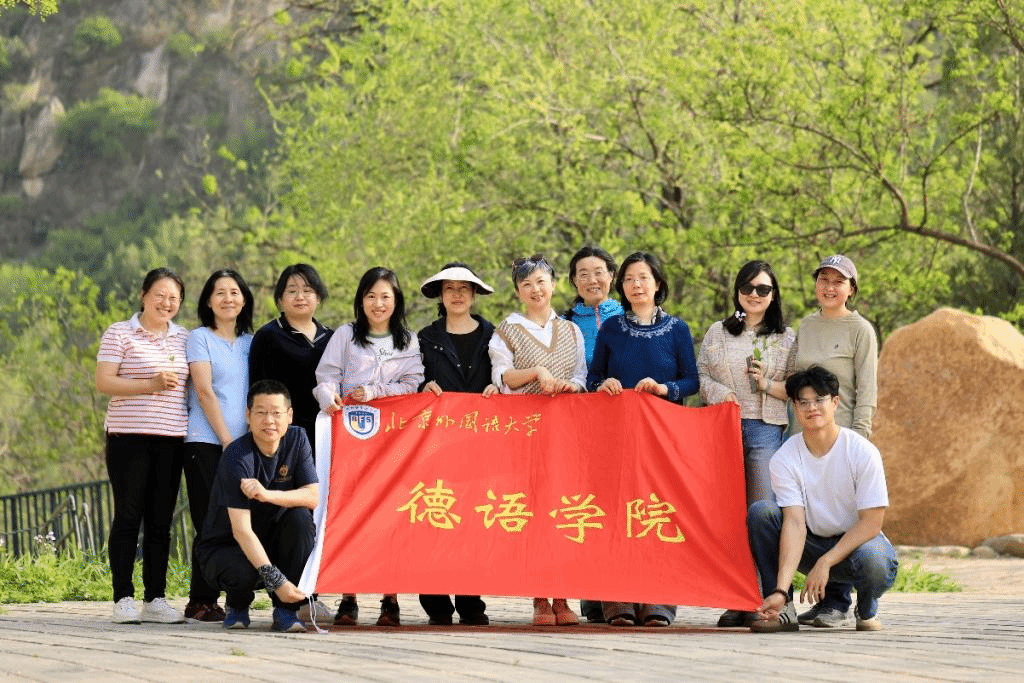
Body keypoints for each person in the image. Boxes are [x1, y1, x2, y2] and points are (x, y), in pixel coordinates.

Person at [587, 250, 699, 627]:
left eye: (643, 278)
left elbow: (692, 380)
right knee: (617, 512)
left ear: (658, 284)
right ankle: (616, 598)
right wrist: (604, 384)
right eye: (629, 279)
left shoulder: (678, 329)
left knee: (659, 511)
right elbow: (593, 377)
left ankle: (659, 599)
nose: (636, 285)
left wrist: (665, 388)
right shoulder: (611, 329)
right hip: (617, 436)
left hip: (665, 435)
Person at [746, 366, 897, 633]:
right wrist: (781, 588)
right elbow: (794, 522)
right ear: (794, 406)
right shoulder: (785, 457)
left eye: (819, 400)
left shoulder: (862, 452)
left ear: (835, 402)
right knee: (762, 513)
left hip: (857, 547)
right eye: (803, 402)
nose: (811, 407)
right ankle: (782, 608)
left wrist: (826, 561)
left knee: (875, 560)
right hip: (811, 544)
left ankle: (866, 606)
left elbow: (872, 523)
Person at [313, 266, 424, 627]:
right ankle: (348, 595)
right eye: (371, 296)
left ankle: (390, 598)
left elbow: (413, 383)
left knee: (390, 514)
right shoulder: (346, 335)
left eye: (385, 297)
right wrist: (329, 397)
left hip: (394, 441)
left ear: (397, 301)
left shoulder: (408, 340)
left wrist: (376, 392)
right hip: (352, 438)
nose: (378, 304)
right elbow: (326, 376)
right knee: (350, 511)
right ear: (361, 300)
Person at [489, 254, 586, 626]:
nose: (535, 289)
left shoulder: (571, 330)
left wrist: (570, 385)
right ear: (518, 291)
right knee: (533, 510)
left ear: (554, 285)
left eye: (541, 281)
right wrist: (537, 372)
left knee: (563, 508)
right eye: (526, 284)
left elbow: (581, 376)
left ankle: (562, 595)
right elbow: (502, 377)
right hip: (525, 432)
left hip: (565, 431)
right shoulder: (507, 330)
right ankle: (540, 598)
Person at [697, 260, 795, 627]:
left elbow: (795, 387)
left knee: (762, 514)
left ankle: (775, 598)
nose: (754, 294)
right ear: (737, 291)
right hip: (722, 430)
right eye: (747, 288)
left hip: (765, 429)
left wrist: (767, 383)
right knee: (729, 517)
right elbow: (701, 375)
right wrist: (720, 393)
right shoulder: (718, 332)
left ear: (773, 295)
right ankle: (739, 597)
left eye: (763, 289)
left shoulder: (786, 337)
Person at [96, 267, 190, 625]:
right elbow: (104, 382)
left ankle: (155, 598)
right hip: (128, 438)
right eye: (159, 295)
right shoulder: (119, 333)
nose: (166, 303)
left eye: (173, 298)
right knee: (128, 516)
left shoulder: (184, 338)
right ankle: (122, 597)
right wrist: (150, 384)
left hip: (171, 438)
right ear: (143, 296)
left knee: (161, 521)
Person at [792, 254, 879, 628]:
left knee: (844, 516)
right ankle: (831, 601)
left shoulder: (861, 330)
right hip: (805, 436)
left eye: (838, 281)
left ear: (851, 289)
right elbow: (796, 382)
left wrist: (860, 436)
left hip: (843, 438)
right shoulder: (806, 326)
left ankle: (848, 600)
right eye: (823, 279)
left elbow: (867, 388)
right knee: (814, 516)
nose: (829, 287)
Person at [196, 380, 319, 632]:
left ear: (289, 415)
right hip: (227, 546)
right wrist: (277, 581)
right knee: (242, 571)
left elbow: (312, 497)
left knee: (300, 519)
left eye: (276, 413)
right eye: (261, 413)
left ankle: (286, 611)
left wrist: (267, 495)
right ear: (248, 416)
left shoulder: (297, 439)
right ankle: (237, 604)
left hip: (271, 539)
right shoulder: (236, 456)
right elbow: (241, 531)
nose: (269, 421)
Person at [416, 262, 497, 626]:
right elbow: (412, 379)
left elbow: (504, 373)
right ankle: (435, 601)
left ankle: (470, 599)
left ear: (474, 293)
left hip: (481, 441)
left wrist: (498, 386)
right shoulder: (425, 338)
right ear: (440, 295)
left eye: (464, 288)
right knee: (436, 516)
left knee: (473, 521)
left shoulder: (493, 335)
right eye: (449, 288)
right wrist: (423, 387)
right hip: (436, 443)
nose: (457, 294)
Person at [182, 269, 254, 622]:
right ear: (208, 301)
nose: (228, 298)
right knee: (209, 520)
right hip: (206, 441)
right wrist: (227, 439)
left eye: (235, 292)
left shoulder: (251, 342)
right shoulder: (199, 338)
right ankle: (201, 599)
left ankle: (237, 593)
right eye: (220, 292)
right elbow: (204, 391)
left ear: (244, 299)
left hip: (245, 445)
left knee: (240, 519)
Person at [249, 264, 333, 448]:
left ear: (318, 297)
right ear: (281, 298)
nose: (300, 297)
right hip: (285, 435)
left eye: (307, 291)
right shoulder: (268, 336)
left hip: (327, 433)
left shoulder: (332, 338)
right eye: (292, 291)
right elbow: (258, 390)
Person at [563, 245, 623, 366]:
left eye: (598, 273)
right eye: (584, 275)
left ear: (611, 275)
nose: (592, 280)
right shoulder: (564, 324)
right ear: (575, 280)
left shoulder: (631, 316)